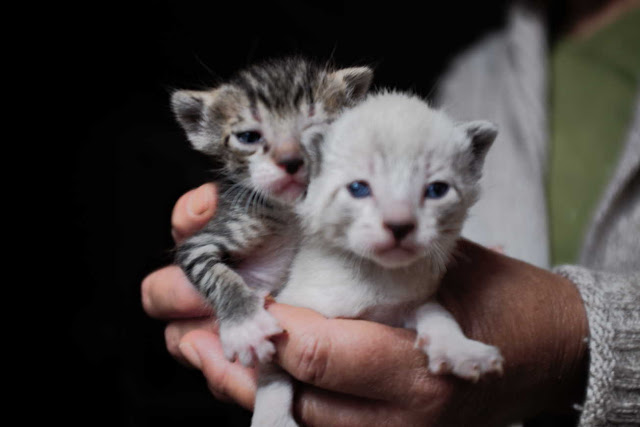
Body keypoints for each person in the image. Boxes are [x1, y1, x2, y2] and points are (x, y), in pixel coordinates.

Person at [142, 2, 639, 425]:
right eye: (253, 138)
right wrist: (237, 310)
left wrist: (575, 340)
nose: (291, 157)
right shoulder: (479, 73)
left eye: (310, 137)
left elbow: (439, 230)